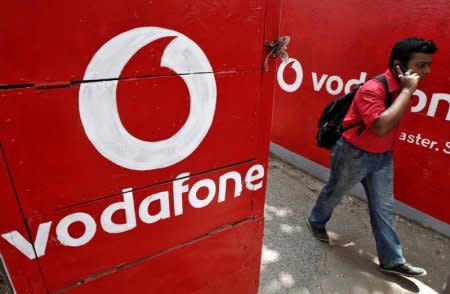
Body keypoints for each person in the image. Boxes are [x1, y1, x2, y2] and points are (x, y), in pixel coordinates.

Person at [307, 37, 438, 277]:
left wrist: (405, 90)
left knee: (383, 208)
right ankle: (316, 221)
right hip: (353, 155)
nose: (426, 71)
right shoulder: (374, 89)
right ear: (399, 66)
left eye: (428, 65)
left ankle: (391, 260)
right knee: (335, 193)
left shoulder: (401, 89)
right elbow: (379, 127)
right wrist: (408, 91)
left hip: (383, 158)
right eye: (421, 65)